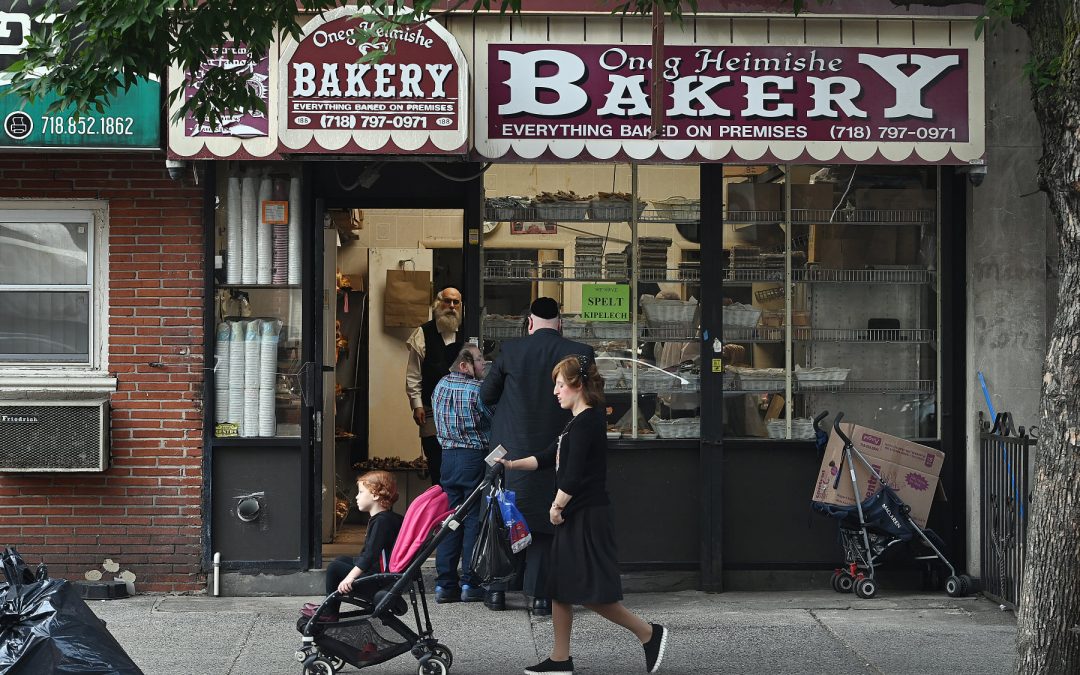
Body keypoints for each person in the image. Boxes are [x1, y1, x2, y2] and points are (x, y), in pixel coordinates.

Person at [498, 355, 669, 675]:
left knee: (586, 591)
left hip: (586, 515)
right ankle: (560, 659)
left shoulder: (588, 421)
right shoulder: (577, 422)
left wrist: (556, 507)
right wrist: (509, 465)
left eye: (560, 385)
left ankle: (648, 633)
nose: (555, 392)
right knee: (560, 587)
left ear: (577, 386)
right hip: (576, 514)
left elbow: (573, 476)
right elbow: (547, 458)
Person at [480, 297, 595, 614]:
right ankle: (542, 596)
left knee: (503, 515)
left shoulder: (511, 350)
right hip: (558, 450)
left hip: (511, 449)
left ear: (529, 323)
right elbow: (593, 401)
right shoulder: (581, 354)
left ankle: (497, 592)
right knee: (549, 521)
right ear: (560, 323)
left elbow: (486, 395)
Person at [430, 343, 493, 604]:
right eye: (479, 360)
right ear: (464, 365)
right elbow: (492, 418)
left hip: (447, 458)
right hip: (472, 458)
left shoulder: (440, 385)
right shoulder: (477, 390)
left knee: (450, 519)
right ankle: (470, 582)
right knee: (472, 522)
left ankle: (445, 584)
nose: (483, 364)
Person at [321, 471, 404, 619]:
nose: (357, 497)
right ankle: (329, 606)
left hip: (378, 582)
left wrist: (349, 578)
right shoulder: (388, 518)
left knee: (334, 568)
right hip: (383, 577)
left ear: (375, 495)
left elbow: (370, 555)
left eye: (360, 492)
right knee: (340, 559)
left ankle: (330, 612)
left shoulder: (381, 522)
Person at [405, 286, 465, 486]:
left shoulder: (468, 332)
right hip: (432, 409)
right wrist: (417, 404)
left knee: (460, 465)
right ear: (438, 304)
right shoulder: (423, 333)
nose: (451, 306)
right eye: (447, 301)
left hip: (462, 412)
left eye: (456, 302)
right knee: (437, 463)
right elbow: (414, 374)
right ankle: (441, 511)